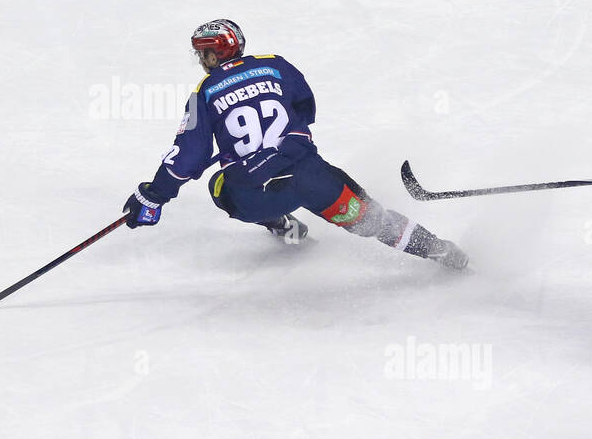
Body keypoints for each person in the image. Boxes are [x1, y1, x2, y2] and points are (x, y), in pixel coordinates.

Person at [121, 19, 468, 270]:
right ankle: (439, 250)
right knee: (370, 218)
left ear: (216, 56)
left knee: (218, 185)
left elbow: (186, 159)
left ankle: (283, 225)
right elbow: (305, 106)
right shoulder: (276, 65)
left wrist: (153, 195)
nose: (202, 61)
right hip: (313, 179)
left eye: (205, 55)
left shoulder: (204, 93)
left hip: (253, 194)